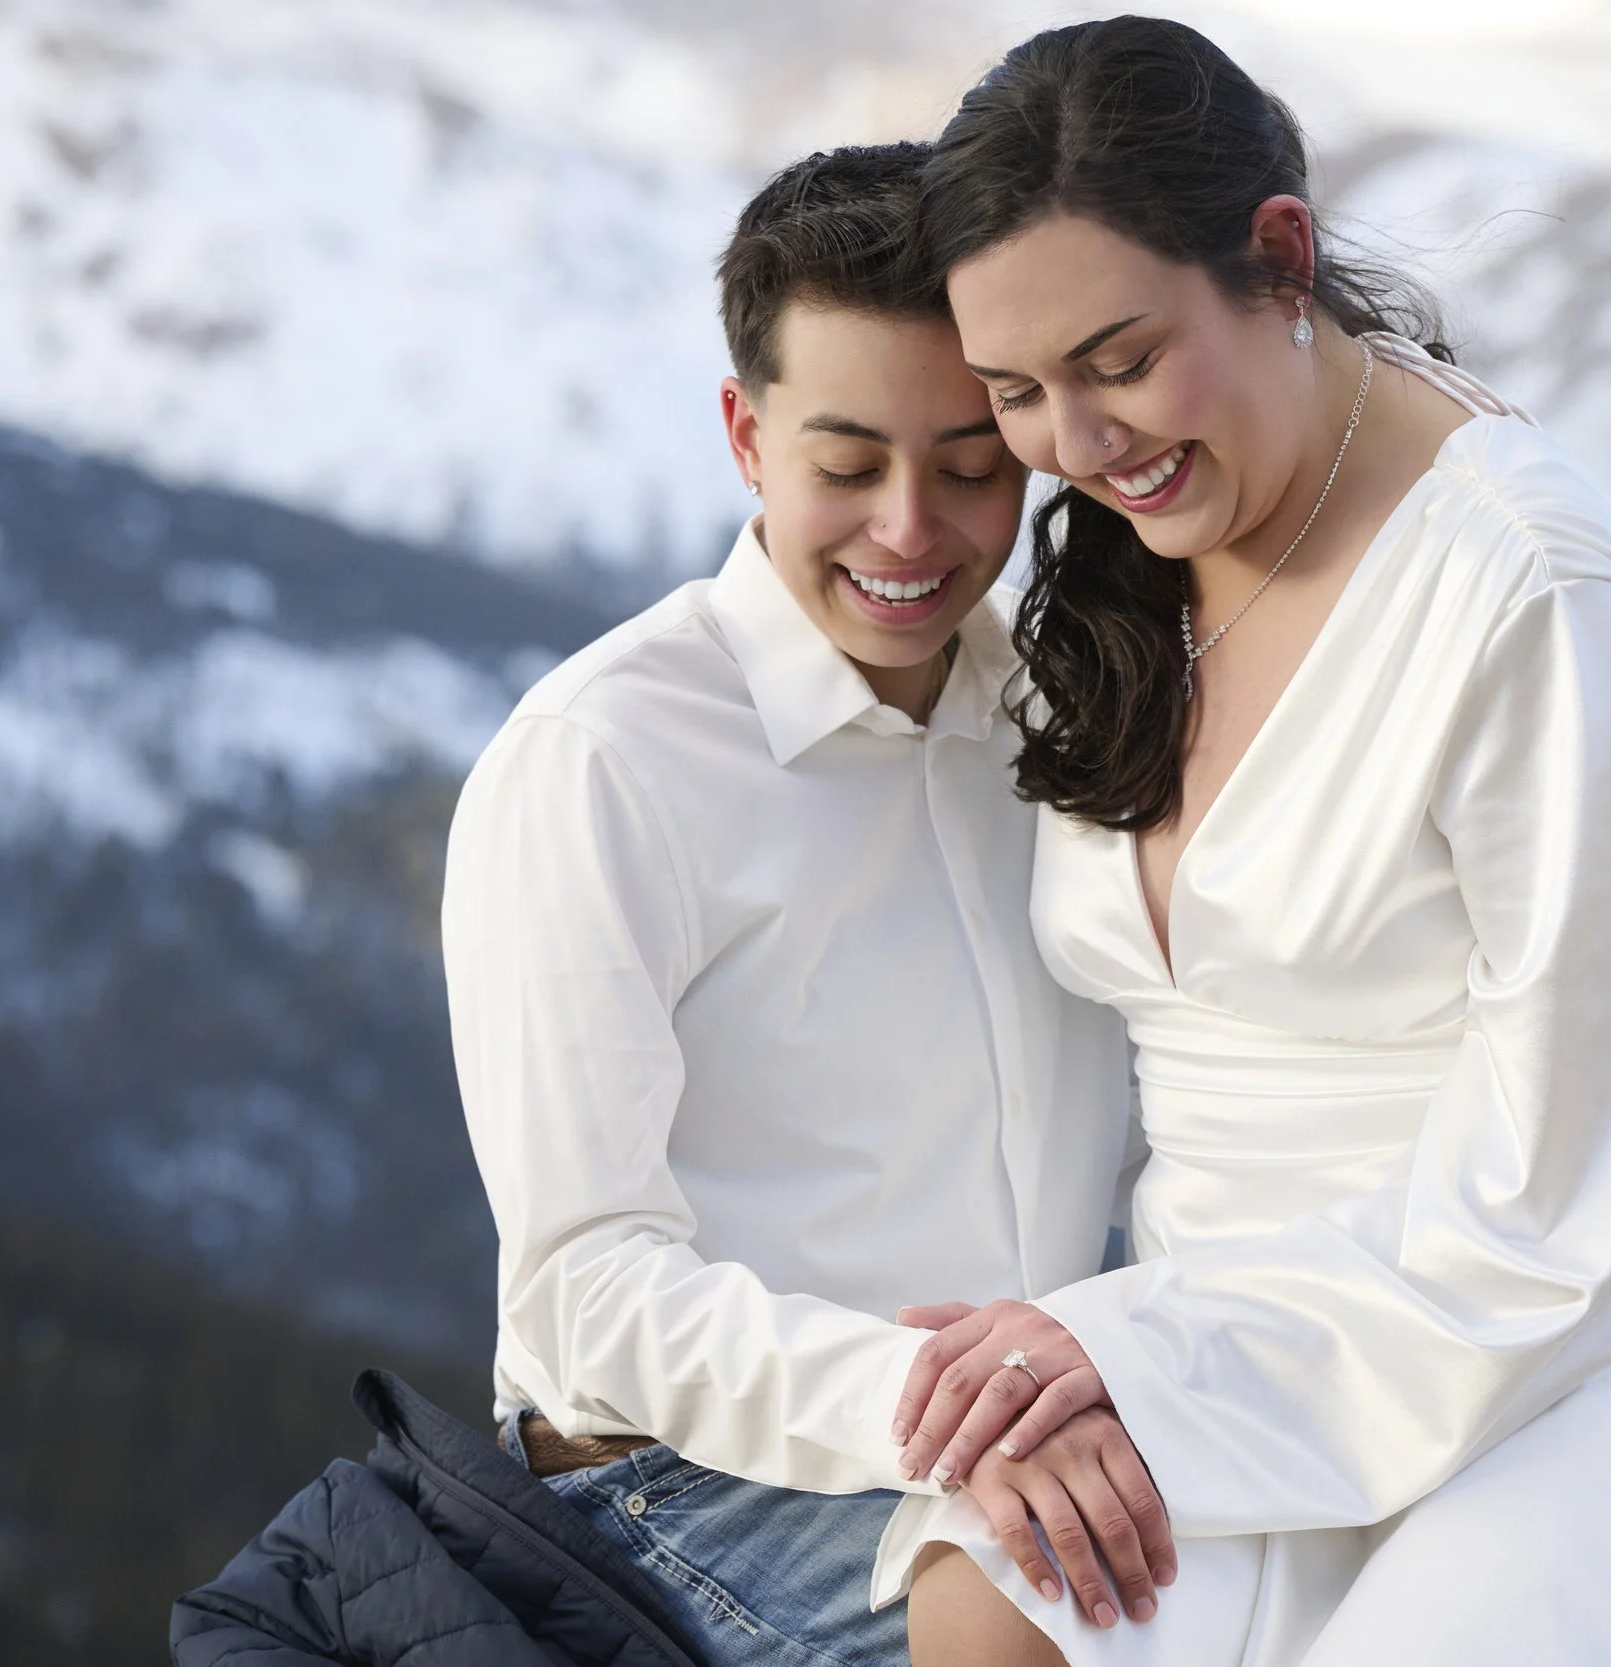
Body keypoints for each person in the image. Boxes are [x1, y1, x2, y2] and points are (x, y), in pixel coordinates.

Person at [877, 20, 1611, 1667]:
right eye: (1017, 391)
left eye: (1117, 360)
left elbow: (1571, 1188)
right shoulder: (1147, 531)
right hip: (1241, 1306)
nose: (1079, 448)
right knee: (984, 1598)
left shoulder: (1534, 592)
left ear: (1278, 256)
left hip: (1585, 1300)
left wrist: (1144, 1357)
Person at [441, 142, 1171, 1667]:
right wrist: (958, 1419)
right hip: (684, 1488)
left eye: (971, 465)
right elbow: (584, 1296)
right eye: (846, 465)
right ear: (744, 435)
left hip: (1028, 1422)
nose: (910, 530)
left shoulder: (1056, 715)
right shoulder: (599, 761)